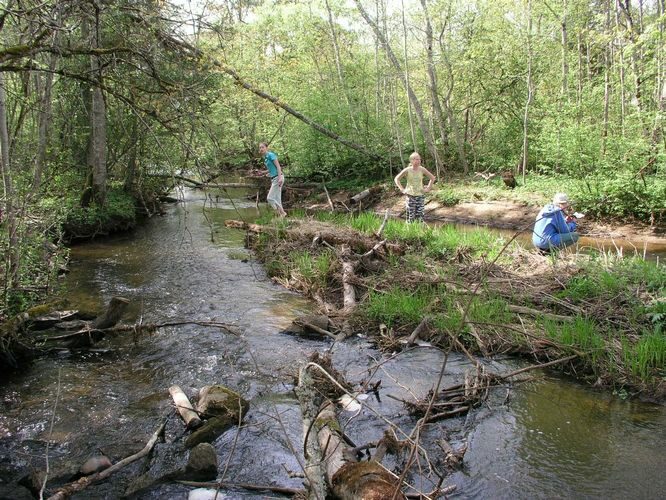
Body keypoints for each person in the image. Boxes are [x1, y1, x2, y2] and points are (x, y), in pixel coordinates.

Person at [394, 152, 436, 223]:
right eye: (416, 159)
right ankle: (410, 232)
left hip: (420, 195)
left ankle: (419, 232)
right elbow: (396, 179)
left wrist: (428, 188)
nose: (418, 161)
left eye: (419, 159)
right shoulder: (407, 170)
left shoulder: (422, 169)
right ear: (411, 160)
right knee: (411, 217)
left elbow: (432, 178)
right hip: (410, 196)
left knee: (420, 217)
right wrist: (402, 189)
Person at [259, 142, 287, 218]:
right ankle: (282, 217)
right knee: (277, 199)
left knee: (270, 198)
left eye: (262, 147)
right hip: (273, 178)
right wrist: (263, 172)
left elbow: (278, 167)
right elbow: (271, 169)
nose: (261, 149)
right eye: (260, 148)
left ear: (266, 148)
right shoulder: (265, 158)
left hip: (278, 178)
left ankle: (281, 212)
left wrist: (280, 177)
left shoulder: (271, 155)